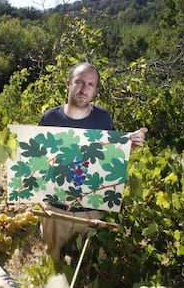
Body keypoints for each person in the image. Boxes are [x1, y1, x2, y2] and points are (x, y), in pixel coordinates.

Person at [39, 62, 147, 261]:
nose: (83, 89)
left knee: (85, 267)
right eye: (79, 82)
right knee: (51, 265)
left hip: (90, 211)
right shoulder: (50, 118)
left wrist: (128, 145)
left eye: (90, 84)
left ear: (96, 90)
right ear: (68, 84)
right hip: (55, 210)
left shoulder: (103, 118)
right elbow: (40, 163)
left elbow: (107, 156)